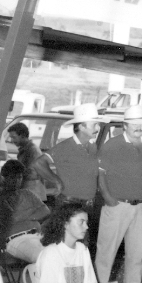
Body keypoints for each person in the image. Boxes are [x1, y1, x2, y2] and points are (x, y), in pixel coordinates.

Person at [95, 105, 142, 283]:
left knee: (136, 253)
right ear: (125, 125)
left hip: (140, 207)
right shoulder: (111, 145)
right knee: (106, 252)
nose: (139, 127)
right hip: (117, 206)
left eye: (141, 123)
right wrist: (108, 198)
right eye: (134, 124)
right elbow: (100, 174)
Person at [49, 104, 102, 259]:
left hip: (87, 204)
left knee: (81, 247)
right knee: (69, 245)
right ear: (82, 126)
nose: (97, 128)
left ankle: (78, 280)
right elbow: (38, 163)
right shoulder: (65, 147)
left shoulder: (92, 146)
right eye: (94, 124)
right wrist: (56, 181)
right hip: (70, 203)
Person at [0, 160, 49, 263]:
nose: (17, 181)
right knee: (46, 258)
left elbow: (46, 211)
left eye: (19, 177)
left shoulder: (26, 193)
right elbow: (9, 219)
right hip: (17, 239)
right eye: (12, 177)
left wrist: (22, 216)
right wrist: (32, 211)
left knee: (65, 252)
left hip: (38, 235)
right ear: (3, 178)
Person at [6, 120, 62, 203]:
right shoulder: (26, 149)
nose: (12, 140)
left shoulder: (32, 150)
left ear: (23, 136)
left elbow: (39, 171)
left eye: (14, 137)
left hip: (33, 191)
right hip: (29, 190)